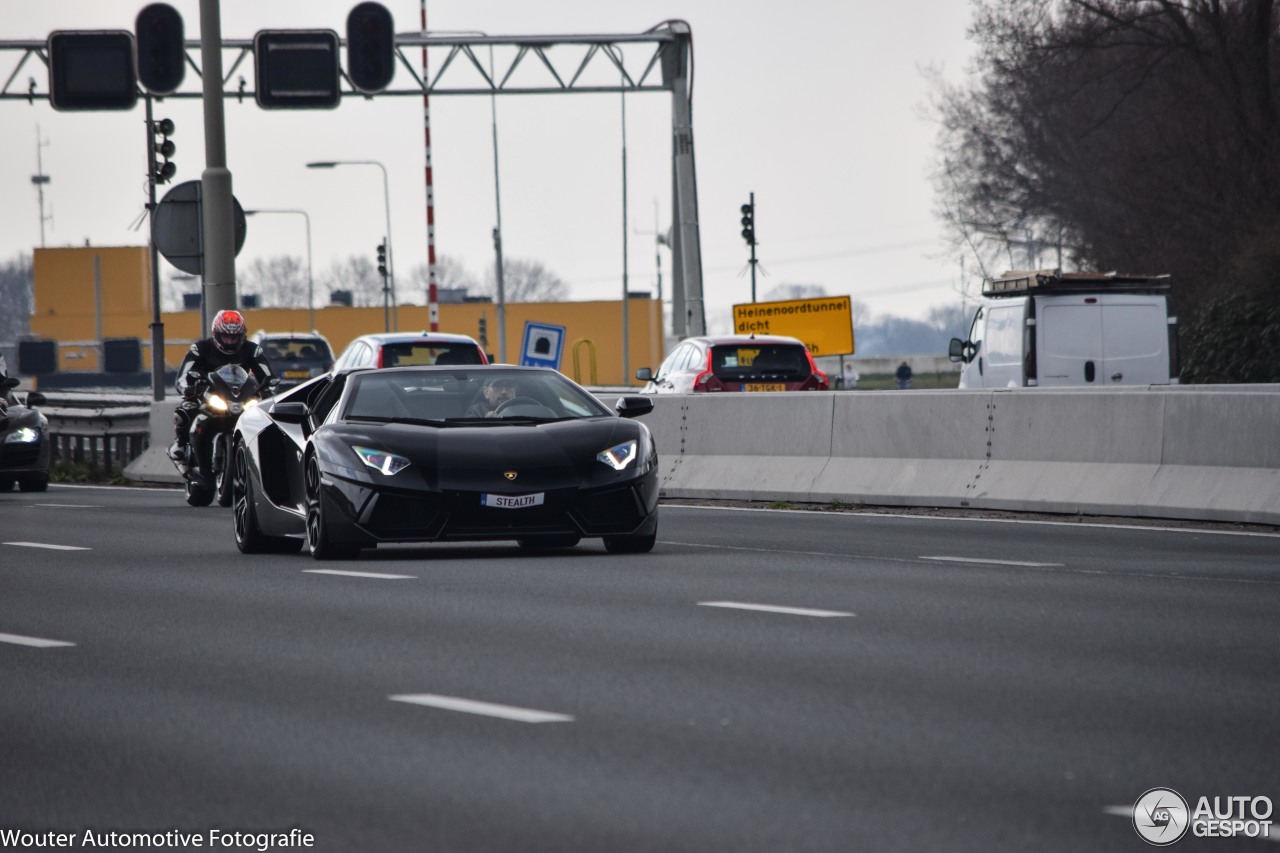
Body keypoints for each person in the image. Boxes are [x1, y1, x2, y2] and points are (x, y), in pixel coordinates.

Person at [169, 309, 276, 461]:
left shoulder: (253, 350)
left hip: (241, 396)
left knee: (268, 415)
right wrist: (188, 388)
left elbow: (268, 375)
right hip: (208, 395)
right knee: (186, 408)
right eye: (226, 337)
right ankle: (181, 443)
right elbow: (183, 376)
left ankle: (268, 454)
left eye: (234, 338)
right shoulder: (200, 348)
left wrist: (268, 388)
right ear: (217, 334)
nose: (230, 342)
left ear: (242, 336)